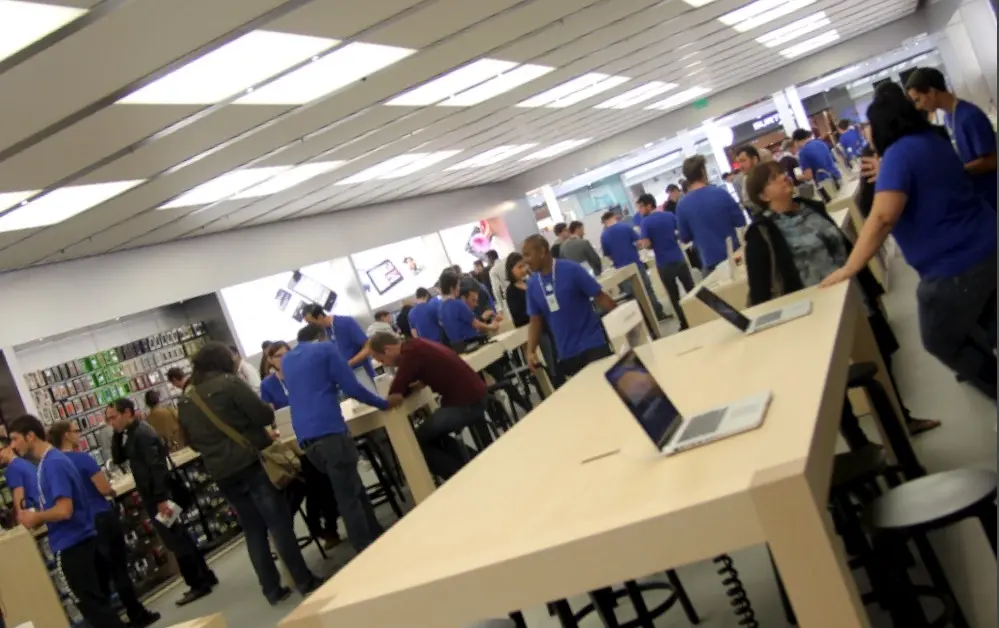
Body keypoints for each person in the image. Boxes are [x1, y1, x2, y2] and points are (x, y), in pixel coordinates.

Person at [821, 85, 997, 400]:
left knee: (940, 339)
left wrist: (851, 266)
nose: (867, 132)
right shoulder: (932, 140)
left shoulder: (899, 154)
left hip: (954, 265)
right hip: (986, 242)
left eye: (869, 125)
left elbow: (883, 217)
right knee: (983, 321)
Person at [743, 161, 941, 436]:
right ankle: (859, 442)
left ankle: (900, 421)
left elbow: (843, 247)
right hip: (811, 316)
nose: (784, 178)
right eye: (774, 178)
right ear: (763, 195)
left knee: (880, 359)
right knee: (830, 381)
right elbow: (762, 289)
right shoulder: (761, 233)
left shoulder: (810, 206)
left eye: (782, 173)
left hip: (853, 297)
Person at [177, 342, 323, 605]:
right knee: (279, 524)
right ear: (222, 361)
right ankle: (304, 580)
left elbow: (191, 441)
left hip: (222, 473)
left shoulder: (187, 399)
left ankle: (272, 589)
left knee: (253, 530)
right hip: (251, 463)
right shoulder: (228, 383)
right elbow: (262, 414)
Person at [282, 323, 401, 552]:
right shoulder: (326, 349)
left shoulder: (288, 360)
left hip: (306, 438)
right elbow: (351, 387)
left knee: (351, 484)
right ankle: (365, 549)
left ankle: (374, 531)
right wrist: (383, 403)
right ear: (322, 336)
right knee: (348, 496)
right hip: (330, 431)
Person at [9, 415, 127, 628]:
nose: (13, 445)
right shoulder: (49, 463)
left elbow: (64, 510)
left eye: (15, 439)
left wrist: (37, 516)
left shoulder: (53, 464)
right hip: (81, 540)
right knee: (99, 606)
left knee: (95, 610)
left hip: (72, 544)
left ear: (30, 436)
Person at [48, 421, 161, 627]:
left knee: (97, 580)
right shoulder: (82, 459)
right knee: (119, 569)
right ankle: (137, 613)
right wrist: (111, 491)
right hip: (101, 517)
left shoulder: (53, 465)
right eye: (76, 431)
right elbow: (102, 487)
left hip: (83, 528)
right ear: (66, 435)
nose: (79, 434)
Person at [107, 398, 217, 605]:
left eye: (114, 417)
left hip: (160, 497)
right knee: (179, 536)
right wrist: (116, 433)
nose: (111, 422)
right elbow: (119, 458)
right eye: (108, 419)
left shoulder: (142, 434)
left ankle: (197, 583)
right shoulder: (132, 434)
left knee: (175, 539)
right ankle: (205, 576)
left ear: (128, 413)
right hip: (156, 495)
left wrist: (160, 498)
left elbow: (157, 468)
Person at [368, 333, 491, 480]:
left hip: (463, 404)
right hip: (475, 396)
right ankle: (471, 465)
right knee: (432, 435)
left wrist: (377, 401)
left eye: (382, 360)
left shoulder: (410, 354)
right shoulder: (417, 345)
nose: (385, 365)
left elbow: (395, 395)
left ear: (387, 349)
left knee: (414, 442)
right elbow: (412, 381)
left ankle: (459, 477)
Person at [259, 341, 342, 550]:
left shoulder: (301, 374)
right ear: (270, 361)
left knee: (322, 476)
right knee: (314, 478)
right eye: (278, 356)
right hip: (289, 443)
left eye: (286, 353)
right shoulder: (268, 385)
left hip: (312, 431)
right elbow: (268, 417)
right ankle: (321, 525)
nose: (283, 358)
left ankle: (327, 524)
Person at [522, 235, 618, 377]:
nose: (525, 260)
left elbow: (601, 297)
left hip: (592, 344)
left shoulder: (572, 269)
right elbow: (535, 320)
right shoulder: (532, 285)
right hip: (566, 353)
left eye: (527, 254)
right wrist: (531, 351)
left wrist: (625, 320)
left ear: (542, 251)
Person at [905, 67, 997, 212]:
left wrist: (956, 170)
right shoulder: (949, 117)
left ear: (932, 92)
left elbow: (992, 161)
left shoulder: (969, 117)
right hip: (979, 196)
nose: (918, 106)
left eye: (918, 100)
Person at [676, 155, 747, 274]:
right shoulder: (721, 193)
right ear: (703, 171)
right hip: (735, 256)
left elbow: (684, 237)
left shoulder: (682, 206)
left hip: (709, 262)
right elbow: (740, 221)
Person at [504, 253, 564, 388]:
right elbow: (517, 317)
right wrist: (535, 312)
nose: (523, 269)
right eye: (519, 267)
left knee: (558, 356)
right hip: (535, 331)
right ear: (511, 270)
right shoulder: (511, 291)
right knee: (550, 363)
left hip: (548, 325)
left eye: (524, 266)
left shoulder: (531, 282)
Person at [636, 193, 694, 330]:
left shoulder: (645, 222)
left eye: (641, 207)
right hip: (679, 258)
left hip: (664, 264)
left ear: (649, 205)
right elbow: (679, 232)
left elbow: (647, 244)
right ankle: (698, 314)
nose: (640, 210)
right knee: (691, 289)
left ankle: (685, 323)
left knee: (674, 296)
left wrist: (651, 243)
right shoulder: (669, 215)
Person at [599, 211, 666, 320]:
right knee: (647, 289)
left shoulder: (604, 236)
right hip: (635, 264)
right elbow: (639, 243)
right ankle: (658, 313)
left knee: (632, 296)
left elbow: (608, 255)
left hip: (621, 270)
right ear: (614, 217)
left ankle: (644, 320)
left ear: (604, 222)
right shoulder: (625, 227)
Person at [303, 304, 376, 382]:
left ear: (320, 317)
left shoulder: (346, 322)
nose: (311, 327)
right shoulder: (325, 333)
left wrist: (349, 364)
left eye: (312, 323)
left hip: (362, 372)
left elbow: (368, 347)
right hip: (345, 378)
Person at [438, 271, 499, 348]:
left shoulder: (441, 309)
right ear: (452, 288)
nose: (459, 288)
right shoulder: (457, 304)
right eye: (458, 285)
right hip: (472, 343)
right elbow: (476, 324)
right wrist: (492, 327)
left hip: (459, 347)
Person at [792, 128, 841, 200]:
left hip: (826, 184)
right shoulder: (821, 143)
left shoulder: (803, 152)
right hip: (837, 176)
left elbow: (808, 176)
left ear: (796, 141)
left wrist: (799, 177)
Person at [1, 436, 38, 517]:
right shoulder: (26, 462)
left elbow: (19, 503)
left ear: (9, 447)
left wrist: (20, 526)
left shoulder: (12, 468)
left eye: (0, 450)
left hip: (33, 516)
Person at [735, 145, 768, 215]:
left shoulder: (767, 176)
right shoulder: (745, 179)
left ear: (754, 160)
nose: (740, 166)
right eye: (739, 163)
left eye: (743, 161)